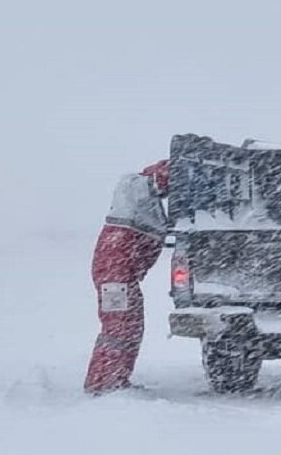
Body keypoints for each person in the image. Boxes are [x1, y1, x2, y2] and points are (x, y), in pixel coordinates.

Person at [84, 160, 170, 395]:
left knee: (128, 326)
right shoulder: (135, 189)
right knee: (119, 328)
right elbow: (158, 180)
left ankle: (113, 379)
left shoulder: (139, 201)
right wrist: (178, 170)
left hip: (121, 276)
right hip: (116, 278)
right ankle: (103, 383)